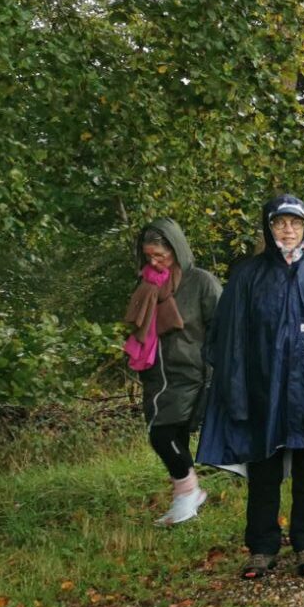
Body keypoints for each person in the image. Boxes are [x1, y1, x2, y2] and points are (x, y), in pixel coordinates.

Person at [200, 195, 304, 579]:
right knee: (264, 468)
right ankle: (262, 547)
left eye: (295, 224)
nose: (288, 231)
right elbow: (228, 340)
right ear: (268, 227)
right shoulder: (248, 276)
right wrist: (237, 393)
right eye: (280, 224)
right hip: (264, 389)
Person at [125, 219, 221, 526]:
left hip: (191, 373)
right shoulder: (147, 283)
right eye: (148, 256)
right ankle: (186, 501)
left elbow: (223, 327)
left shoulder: (201, 282)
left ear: (176, 249)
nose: (153, 262)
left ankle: (189, 492)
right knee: (174, 434)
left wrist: (216, 368)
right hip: (155, 374)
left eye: (160, 255)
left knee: (161, 435)